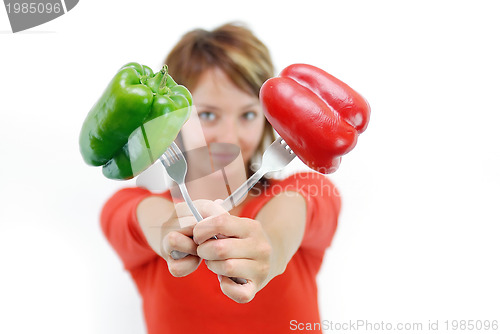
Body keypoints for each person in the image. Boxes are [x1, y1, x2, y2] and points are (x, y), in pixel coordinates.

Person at [100, 22, 341, 334]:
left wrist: (271, 246)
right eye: (208, 115)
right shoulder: (132, 205)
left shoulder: (304, 191)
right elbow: (140, 218)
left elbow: (294, 211)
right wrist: (171, 231)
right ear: (169, 120)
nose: (230, 136)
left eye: (249, 114)